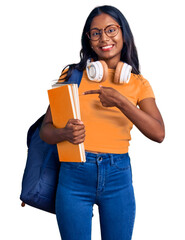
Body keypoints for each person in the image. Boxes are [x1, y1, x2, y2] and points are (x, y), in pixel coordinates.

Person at [40, 5, 165, 240]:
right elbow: (45, 131)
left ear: (123, 34)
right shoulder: (72, 76)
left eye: (110, 30)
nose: (104, 38)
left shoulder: (139, 83)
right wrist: (64, 134)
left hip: (118, 176)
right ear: (89, 39)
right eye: (95, 33)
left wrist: (121, 101)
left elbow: (159, 133)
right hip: (75, 174)